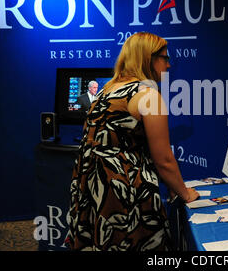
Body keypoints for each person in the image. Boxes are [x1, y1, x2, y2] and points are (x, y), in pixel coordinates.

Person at [65, 32, 199, 251]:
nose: (169, 64)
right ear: (149, 59)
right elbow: (163, 159)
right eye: (165, 58)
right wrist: (185, 193)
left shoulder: (106, 90)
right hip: (125, 195)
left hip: (92, 191)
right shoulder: (148, 95)